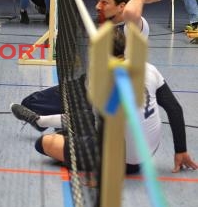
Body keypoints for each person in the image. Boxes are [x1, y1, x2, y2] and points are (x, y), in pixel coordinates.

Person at [12, 29, 198, 175]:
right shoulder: (148, 68)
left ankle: (41, 122)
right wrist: (181, 150)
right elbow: (174, 109)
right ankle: (50, 126)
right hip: (148, 154)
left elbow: (90, 122)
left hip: (124, 162)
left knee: (44, 143)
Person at [16, 0, 162, 116]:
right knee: (30, 103)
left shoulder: (135, 26)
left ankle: (84, 117)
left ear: (121, 6)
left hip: (114, 93)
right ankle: (77, 116)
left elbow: (131, 11)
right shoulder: (109, 11)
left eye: (104, 2)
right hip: (90, 83)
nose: (98, 6)